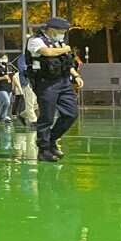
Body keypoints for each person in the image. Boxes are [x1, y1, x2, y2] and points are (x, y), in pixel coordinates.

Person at [26, 17, 83, 162]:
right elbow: (47, 52)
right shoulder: (35, 40)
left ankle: (51, 139)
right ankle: (44, 150)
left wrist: (76, 75)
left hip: (64, 82)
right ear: (51, 30)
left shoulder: (59, 43)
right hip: (46, 83)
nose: (63, 34)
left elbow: (67, 62)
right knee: (47, 117)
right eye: (61, 31)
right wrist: (65, 49)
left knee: (71, 114)